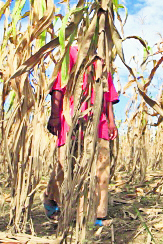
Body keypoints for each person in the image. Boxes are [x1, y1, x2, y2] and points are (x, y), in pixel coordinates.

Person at [44, 45, 119, 226]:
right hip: (72, 118)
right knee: (65, 165)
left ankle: (95, 214)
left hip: (98, 121)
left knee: (101, 167)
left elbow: (107, 94)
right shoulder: (71, 52)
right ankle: (53, 200)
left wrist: (111, 121)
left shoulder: (102, 60)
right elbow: (58, 87)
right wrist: (55, 115)